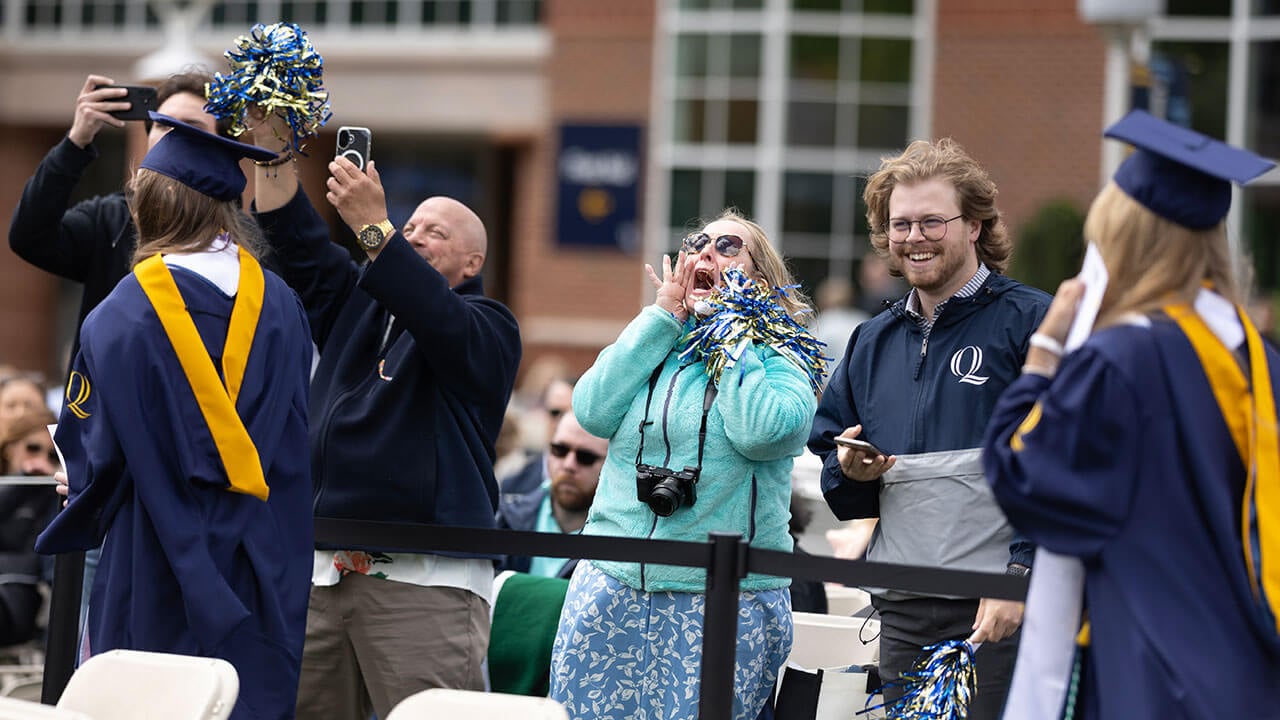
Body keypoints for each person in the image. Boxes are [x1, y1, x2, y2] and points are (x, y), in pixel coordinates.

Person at [984, 111, 1280, 719]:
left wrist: (1045, 355)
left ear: (1123, 240)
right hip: (1251, 667)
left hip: (1156, 673)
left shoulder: (1122, 359)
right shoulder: (1261, 360)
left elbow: (1022, 474)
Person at [33, 113, 314, 720]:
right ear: (225, 209)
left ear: (152, 208)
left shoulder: (119, 317)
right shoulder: (283, 306)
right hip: (261, 557)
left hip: (154, 554)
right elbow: (296, 431)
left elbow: (94, 457)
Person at [254, 121, 522, 718]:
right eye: (409, 227)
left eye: (436, 231)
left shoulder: (490, 325)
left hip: (423, 581)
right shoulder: (360, 303)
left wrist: (376, 230)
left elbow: (437, 316)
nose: (415, 234)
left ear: (472, 261)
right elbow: (294, 238)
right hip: (322, 574)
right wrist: (271, 142)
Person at [807, 138, 1051, 718]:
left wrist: (1020, 575)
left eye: (932, 221)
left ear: (974, 226)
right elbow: (835, 472)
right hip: (902, 607)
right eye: (900, 224)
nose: (913, 237)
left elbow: (1062, 464)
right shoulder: (871, 341)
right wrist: (851, 472)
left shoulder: (1030, 323)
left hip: (996, 605)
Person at [549, 209, 819, 720]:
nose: (707, 252)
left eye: (729, 247)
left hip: (720, 598)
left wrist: (736, 330)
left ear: (761, 282)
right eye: (699, 242)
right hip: (612, 582)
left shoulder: (781, 359)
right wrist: (660, 318)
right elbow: (592, 410)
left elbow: (763, 433)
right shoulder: (656, 342)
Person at [8, 72, 232, 367]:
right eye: (164, 124)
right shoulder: (109, 218)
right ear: (149, 136)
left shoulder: (238, 236)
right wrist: (77, 141)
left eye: (191, 126)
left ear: (222, 145)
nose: (173, 136)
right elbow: (29, 236)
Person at [496, 409, 607, 578]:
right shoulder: (506, 518)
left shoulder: (619, 540)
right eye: (559, 450)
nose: (569, 465)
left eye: (586, 457)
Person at [0, 407, 59, 649]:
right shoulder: (12, 489)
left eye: (53, 455)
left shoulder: (55, 499)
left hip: (18, 610)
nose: (41, 462)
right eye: (32, 448)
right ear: (10, 448)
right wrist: (22, 482)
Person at [500, 375, 575, 495]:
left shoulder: (598, 483)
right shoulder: (514, 484)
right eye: (555, 413)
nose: (562, 422)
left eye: (569, 414)